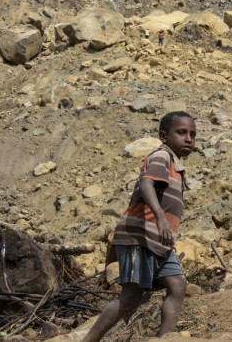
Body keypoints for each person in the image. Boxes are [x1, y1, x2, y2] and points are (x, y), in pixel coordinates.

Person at [84, 112, 196, 342]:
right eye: (182, 132)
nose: (189, 139)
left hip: (158, 242)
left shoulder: (175, 164)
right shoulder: (161, 156)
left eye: (193, 134)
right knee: (131, 294)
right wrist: (160, 217)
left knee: (177, 286)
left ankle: (164, 338)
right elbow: (146, 183)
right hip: (140, 237)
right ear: (164, 136)